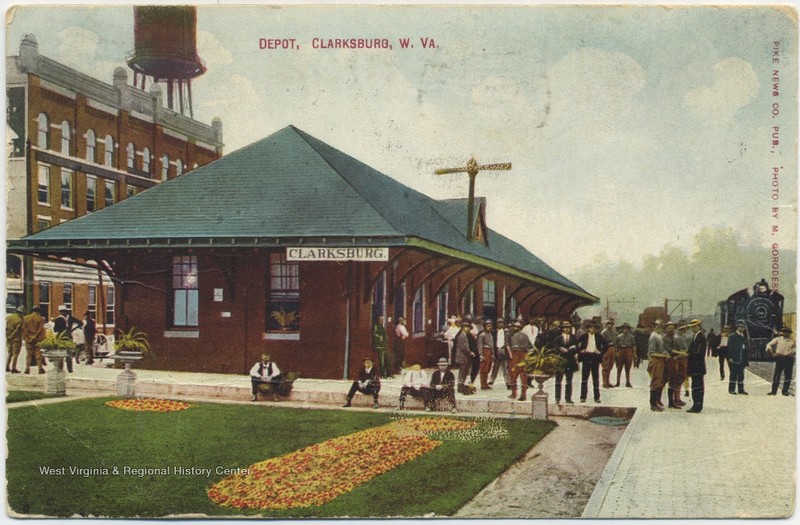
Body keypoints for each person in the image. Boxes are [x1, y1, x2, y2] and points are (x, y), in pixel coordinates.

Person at [577, 321, 606, 403]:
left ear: (595, 329)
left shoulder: (598, 336)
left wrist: (600, 351)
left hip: (595, 357)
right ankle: (583, 397)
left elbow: (606, 345)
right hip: (586, 356)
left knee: (595, 378)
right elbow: (575, 343)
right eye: (590, 328)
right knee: (584, 378)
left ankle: (597, 397)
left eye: (593, 328)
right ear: (587, 329)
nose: (591, 329)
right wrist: (580, 350)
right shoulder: (584, 336)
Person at [553, 321, 578, 404]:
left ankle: (568, 398)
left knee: (569, 381)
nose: (566, 329)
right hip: (560, 360)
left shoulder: (573, 338)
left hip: (570, 361)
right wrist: (560, 349)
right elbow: (555, 348)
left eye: (568, 328)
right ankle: (557, 398)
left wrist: (572, 349)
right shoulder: (558, 338)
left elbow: (576, 347)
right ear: (562, 328)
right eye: (565, 327)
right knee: (558, 380)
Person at [508, 320, 534, 401]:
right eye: (515, 326)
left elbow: (530, 348)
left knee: (519, 376)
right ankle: (516, 393)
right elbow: (531, 348)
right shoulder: (513, 336)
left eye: (517, 327)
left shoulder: (514, 336)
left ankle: (520, 394)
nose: (515, 328)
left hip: (519, 356)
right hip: (517, 356)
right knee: (517, 376)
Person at [766, 327, 795, 396]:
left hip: (789, 359)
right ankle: (773, 391)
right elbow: (768, 345)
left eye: (787, 332)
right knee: (777, 375)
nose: (786, 333)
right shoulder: (778, 339)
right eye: (784, 332)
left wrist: (793, 352)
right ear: (782, 332)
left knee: (788, 375)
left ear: (789, 333)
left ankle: (785, 391)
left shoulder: (793, 341)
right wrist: (772, 353)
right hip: (780, 358)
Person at [647, 320, 669, 411]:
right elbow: (651, 353)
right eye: (657, 326)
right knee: (655, 382)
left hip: (661, 361)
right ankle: (653, 404)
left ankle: (656, 401)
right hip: (656, 361)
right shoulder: (653, 336)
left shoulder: (658, 336)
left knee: (659, 381)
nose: (658, 328)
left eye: (660, 327)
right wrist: (664, 355)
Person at [663, 321, 686, 409]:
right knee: (669, 380)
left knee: (675, 379)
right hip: (668, 360)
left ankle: (673, 401)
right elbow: (670, 350)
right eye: (669, 328)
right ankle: (670, 401)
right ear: (666, 329)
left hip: (675, 360)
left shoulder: (674, 337)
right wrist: (681, 353)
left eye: (672, 328)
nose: (671, 329)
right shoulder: (665, 338)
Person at [53, 305, 82, 373]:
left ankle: (60, 368)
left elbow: (55, 330)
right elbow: (80, 323)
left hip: (61, 337)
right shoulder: (70, 318)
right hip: (68, 336)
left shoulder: (58, 319)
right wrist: (72, 329)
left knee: (60, 352)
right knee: (69, 353)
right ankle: (70, 369)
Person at [686, 319, 707, 413]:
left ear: (699, 326)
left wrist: (688, 355)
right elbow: (691, 350)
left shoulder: (701, 337)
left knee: (697, 387)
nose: (692, 329)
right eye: (691, 327)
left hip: (698, 366)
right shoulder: (695, 336)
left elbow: (700, 353)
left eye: (694, 327)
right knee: (695, 386)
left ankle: (697, 406)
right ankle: (696, 405)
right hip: (695, 366)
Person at [22, 306, 46, 375]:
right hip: (37, 339)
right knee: (38, 354)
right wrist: (35, 336)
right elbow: (40, 329)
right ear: (38, 311)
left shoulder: (25, 318)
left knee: (29, 354)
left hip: (28, 339)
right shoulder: (41, 319)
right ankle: (40, 368)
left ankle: (27, 368)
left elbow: (24, 329)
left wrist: (28, 337)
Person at [727, 321, 749, 395]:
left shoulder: (744, 337)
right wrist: (730, 357)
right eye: (740, 327)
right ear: (737, 327)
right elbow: (729, 348)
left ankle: (741, 389)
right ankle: (731, 389)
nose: (742, 328)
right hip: (734, 359)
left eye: (743, 327)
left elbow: (745, 349)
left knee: (741, 375)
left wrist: (746, 360)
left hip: (742, 359)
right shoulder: (732, 336)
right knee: (733, 374)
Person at [454, 321, 475, 394]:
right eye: (467, 327)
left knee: (463, 371)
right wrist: (470, 353)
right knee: (462, 371)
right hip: (462, 356)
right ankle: (460, 385)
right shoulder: (462, 336)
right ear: (463, 328)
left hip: (463, 356)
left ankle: (461, 384)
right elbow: (464, 348)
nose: (468, 329)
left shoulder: (463, 335)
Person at [489, 318, 511, 389]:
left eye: (501, 323)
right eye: (499, 323)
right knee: (495, 367)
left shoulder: (506, 332)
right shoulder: (494, 332)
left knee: (505, 367)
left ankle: (507, 381)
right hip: (497, 349)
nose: (500, 324)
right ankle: (492, 380)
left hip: (504, 349)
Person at [615, 323, 635, 387]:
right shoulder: (618, 336)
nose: (625, 329)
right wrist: (616, 353)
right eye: (624, 328)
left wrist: (634, 353)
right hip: (621, 350)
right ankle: (618, 382)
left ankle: (628, 382)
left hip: (628, 351)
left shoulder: (631, 336)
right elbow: (616, 346)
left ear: (628, 329)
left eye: (626, 328)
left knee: (628, 367)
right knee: (619, 367)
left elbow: (633, 345)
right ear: (622, 328)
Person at [6, 306, 24, 373]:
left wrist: (8, 336)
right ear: (21, 313)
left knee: (10, 353)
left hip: (8, 337)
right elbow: (17, 330)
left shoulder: (10, 317)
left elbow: (6, 326)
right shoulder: (20, 320)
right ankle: (13, 368)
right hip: (16, 338)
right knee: (15, 354)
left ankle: (7, 366)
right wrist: (12, 336)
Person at [477, 319, 494, 390]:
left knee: (488, 368)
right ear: (485, 327)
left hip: (489, 352)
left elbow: (492, 345)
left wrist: (492, 353)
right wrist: (481, 354)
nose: (489, 327)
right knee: (483, 369)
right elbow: (479, 345)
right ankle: (482, 384)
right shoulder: (482, 335)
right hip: (484, 351)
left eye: (490, 326)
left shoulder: (490, 334)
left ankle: (486, 383)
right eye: (488, 326)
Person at [600, 319, 617, 389]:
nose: (610, 325)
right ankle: (604, 382)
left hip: (612, 349)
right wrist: (603, 352)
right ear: (607, 324)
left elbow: (615, 342)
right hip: (606, 349)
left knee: (610, 366)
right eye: (609, 323)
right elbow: (601, 342)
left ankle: (608, 381)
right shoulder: (604, 332)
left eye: (611, 323)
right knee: (605, 366)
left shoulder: (613, 332)